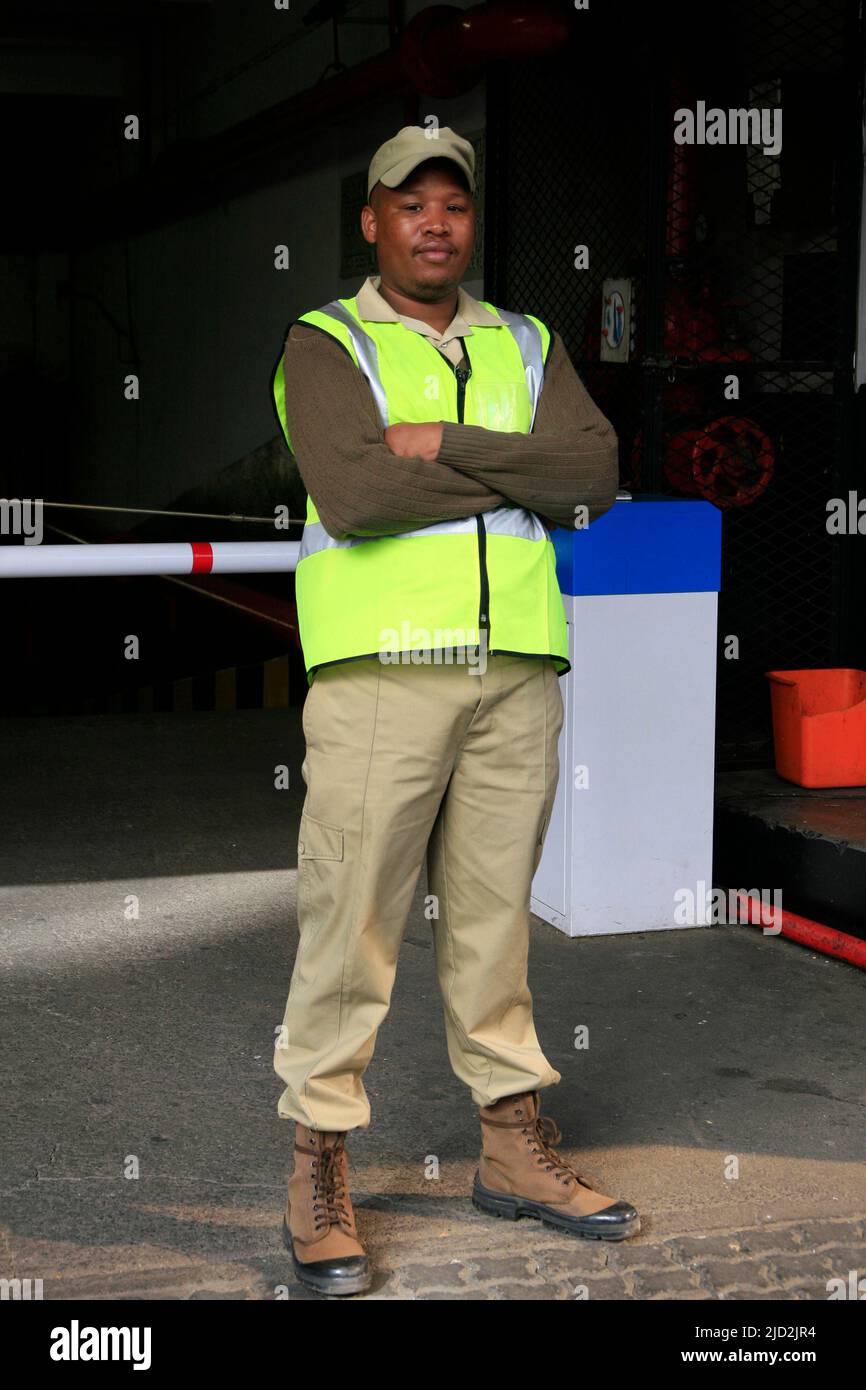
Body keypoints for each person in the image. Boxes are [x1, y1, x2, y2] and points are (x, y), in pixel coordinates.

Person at [271, 124, 640, 1297]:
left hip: (516, 666)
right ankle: (317, 1162)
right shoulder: (326, 341)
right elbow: (361, 489)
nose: (435, 222)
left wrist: (453, 444)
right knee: (353, 920)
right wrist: (512, 462)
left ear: (472, 222)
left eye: (454, 205)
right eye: (409, 203)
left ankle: (509, 1149)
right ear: (370, 220)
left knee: (495, 922)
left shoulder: (524, 339)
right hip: (384, 665)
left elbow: (591, 480)